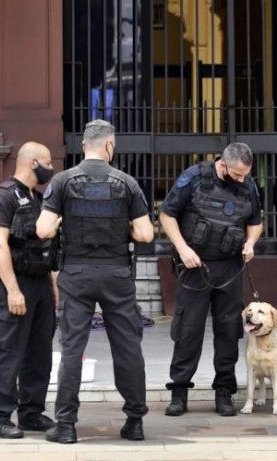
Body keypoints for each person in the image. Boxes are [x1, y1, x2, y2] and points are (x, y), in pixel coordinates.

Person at [35, 119, 154, 444]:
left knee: (73, 349)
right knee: (128, 347)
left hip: (76, 274)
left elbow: (43, 230)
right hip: (116, 275)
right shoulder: (127, 183)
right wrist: (125, 229)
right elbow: (145, 233)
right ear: (109, 146)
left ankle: (66, 426)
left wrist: (63, 221)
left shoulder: (62, 181)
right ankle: (134, 421)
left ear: (84, 145)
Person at [159, 142, 263, 417]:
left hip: (230, 266)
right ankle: (179, 392)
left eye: (245, 174)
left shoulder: (248, 184)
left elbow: (255, 221)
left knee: (229, 330)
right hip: (195, 265)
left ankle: (224, 393)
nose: (242, 179)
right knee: (188, 330)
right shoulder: (193, 178)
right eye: (237, 174)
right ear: (223, 164)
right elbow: (166, 214)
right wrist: (183, 248)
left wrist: (251, 243)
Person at [0, 141, 59, 439]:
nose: (50, 168)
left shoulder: (39, 198)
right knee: (9, 350)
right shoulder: (3, 196)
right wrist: (13, 291)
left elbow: (45, 245)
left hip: (40, 282)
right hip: (15, 282)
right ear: (32, 163)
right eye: (47, 162)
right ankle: (0, 416)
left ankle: (31, 412)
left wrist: (53, 286)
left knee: (39, 352)